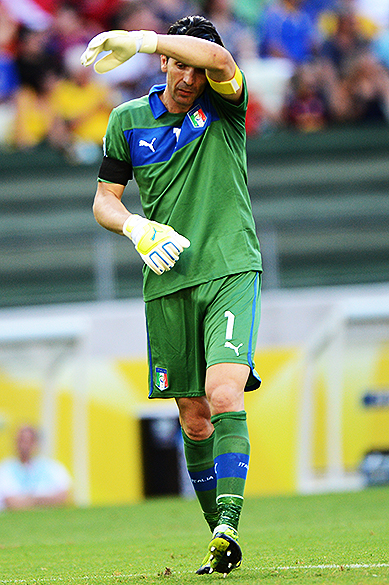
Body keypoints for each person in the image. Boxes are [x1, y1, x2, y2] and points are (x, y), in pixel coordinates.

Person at [81, 14, 262, 576]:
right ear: (163, 66)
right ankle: (220, 540)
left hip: (229, 271)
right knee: (194, 418)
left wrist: (140, 39)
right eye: (178, 63)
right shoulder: (126, 121)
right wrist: (136, 227)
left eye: (197, 66)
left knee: (224, 392)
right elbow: (104, 200)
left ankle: (230, 524)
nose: (188, 76)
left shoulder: (226, 107)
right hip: (166, 282)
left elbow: (224, 62)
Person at [0, 425, 72, 510]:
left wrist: (30, 501)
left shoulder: (51, 466)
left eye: (29, 441)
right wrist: (41, 500)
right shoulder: (5, 468)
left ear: (36, 443)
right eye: (21, 441)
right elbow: (11, 502)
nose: (24, 446)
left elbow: (64, 496)